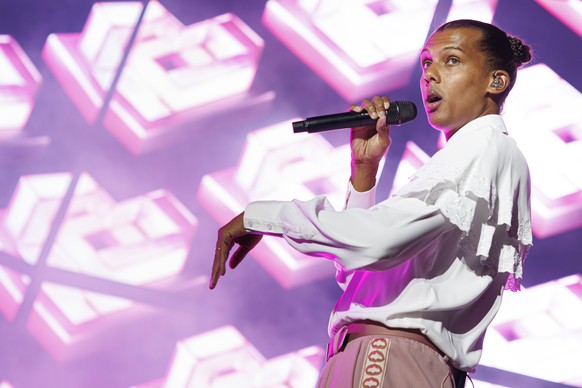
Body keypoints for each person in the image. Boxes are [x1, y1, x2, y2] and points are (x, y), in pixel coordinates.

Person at [210, 19, 532, 387]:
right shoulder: (479, 154)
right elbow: (364, 270)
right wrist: (364, 171)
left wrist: (262, 216)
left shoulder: (483, 146)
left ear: (496, 81)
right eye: (427, 63)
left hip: (388, 357)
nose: (430, 75)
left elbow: (377, 242)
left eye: (452, 60)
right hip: (389, 358)